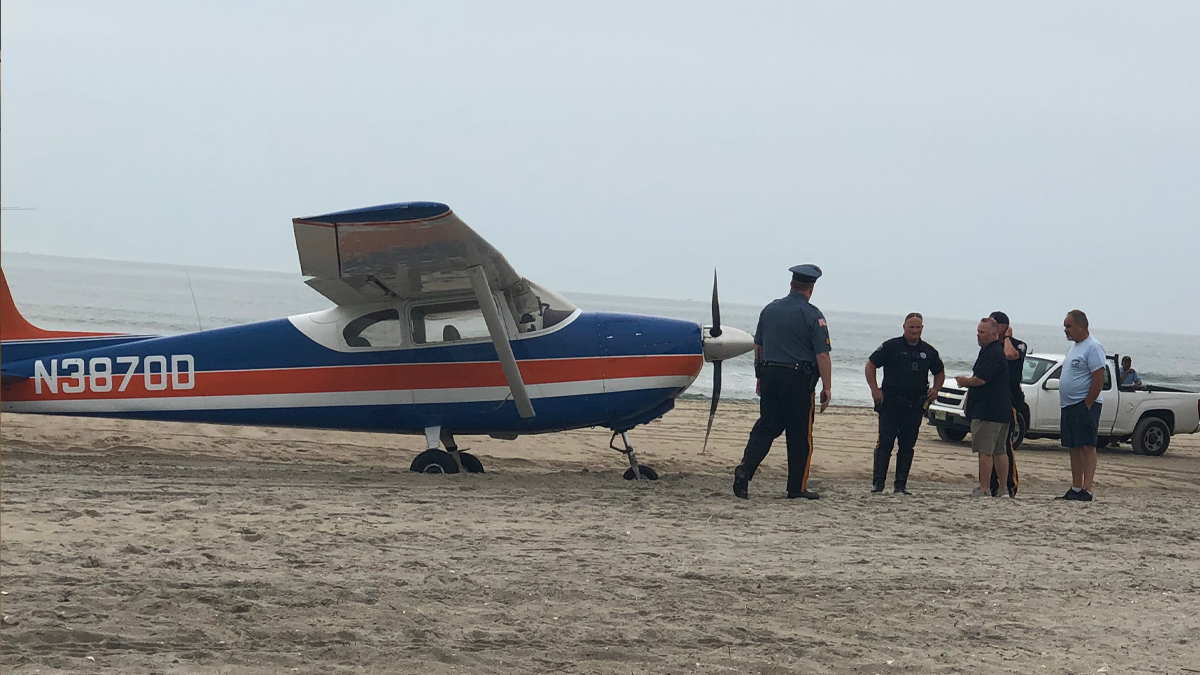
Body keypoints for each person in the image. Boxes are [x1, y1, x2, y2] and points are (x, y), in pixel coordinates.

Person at [733, 264, 832, 500]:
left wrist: (759, 376)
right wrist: (827, 387)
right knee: (800, 434)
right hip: (798, 378)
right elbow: (822, 355)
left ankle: (745, 469)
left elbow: (759, 346)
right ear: (812, 287)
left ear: (791, 284)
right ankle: (796, 487)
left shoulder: (769, 310)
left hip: (769, 374)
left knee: (767, 425)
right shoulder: (813, 314)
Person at [865, 312, 945, 495]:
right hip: (890, 403)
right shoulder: (890, 346)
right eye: (911, 327)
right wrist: (875, 390)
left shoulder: (928, 351)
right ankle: (878, 484)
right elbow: (870, 365)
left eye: (918, 327)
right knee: (885, 443)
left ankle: (900, 485)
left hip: (914, 406)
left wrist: (936, 389)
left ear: (922, 329)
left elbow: (939, 372)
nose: (914, 331)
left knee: (907, 446)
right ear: (904, 327)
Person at [955, 318, 1012, 497]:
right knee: (999, 450)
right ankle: (1002, 489)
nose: (978, 335)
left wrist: (965, 382)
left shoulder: (993, 352)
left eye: (982, 332)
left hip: (989, 411)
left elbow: (980, 379)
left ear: (994, 334)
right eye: (978, 331)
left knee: (986, 451)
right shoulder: (990, 351)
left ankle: (985, 488)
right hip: (1001, 410)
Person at [1058, 309, 1106, 502]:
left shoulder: (1093, 347)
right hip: (1068, 405)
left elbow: (1099, 377)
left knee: (1086, 445)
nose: (1066, 330)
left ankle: (1087, 488)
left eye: (1068, 326)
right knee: (1073, 446)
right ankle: (1076, 487)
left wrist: (1087, 403)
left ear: (1080, 325)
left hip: (1084, 404)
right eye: (1065, 327)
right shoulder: (1074, 348)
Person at [988, 311, 1026, 497]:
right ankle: (991, 484)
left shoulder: (1018, 344)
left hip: (1010, 399)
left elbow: (1009, 355)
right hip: (992, 399)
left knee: (1005, 444)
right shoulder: (990, 345)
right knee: (990, 445)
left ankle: (1010, 485)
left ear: (1003, 326)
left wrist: (1008, 337)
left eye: (994, 323)